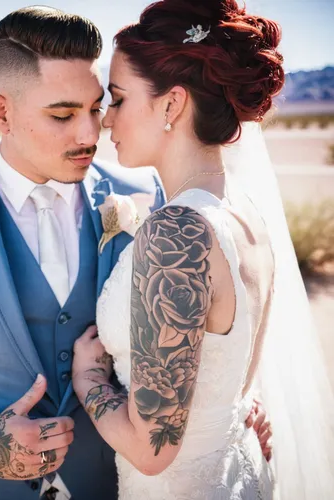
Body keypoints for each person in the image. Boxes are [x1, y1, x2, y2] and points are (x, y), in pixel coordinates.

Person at [0, 6, 271, 500]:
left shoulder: (153, 198)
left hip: (111, 483)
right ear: (1, 113)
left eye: (96, 107)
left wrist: (240, 405)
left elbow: (205, 323)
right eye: (62, 114)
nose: (90, 134)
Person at [72, 0, 334, 499]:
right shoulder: (246, 215)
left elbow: (152, 449)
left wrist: (88, 380)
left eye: (120, 99)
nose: (106, 120)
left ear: (171, 105)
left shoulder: (176, 231)